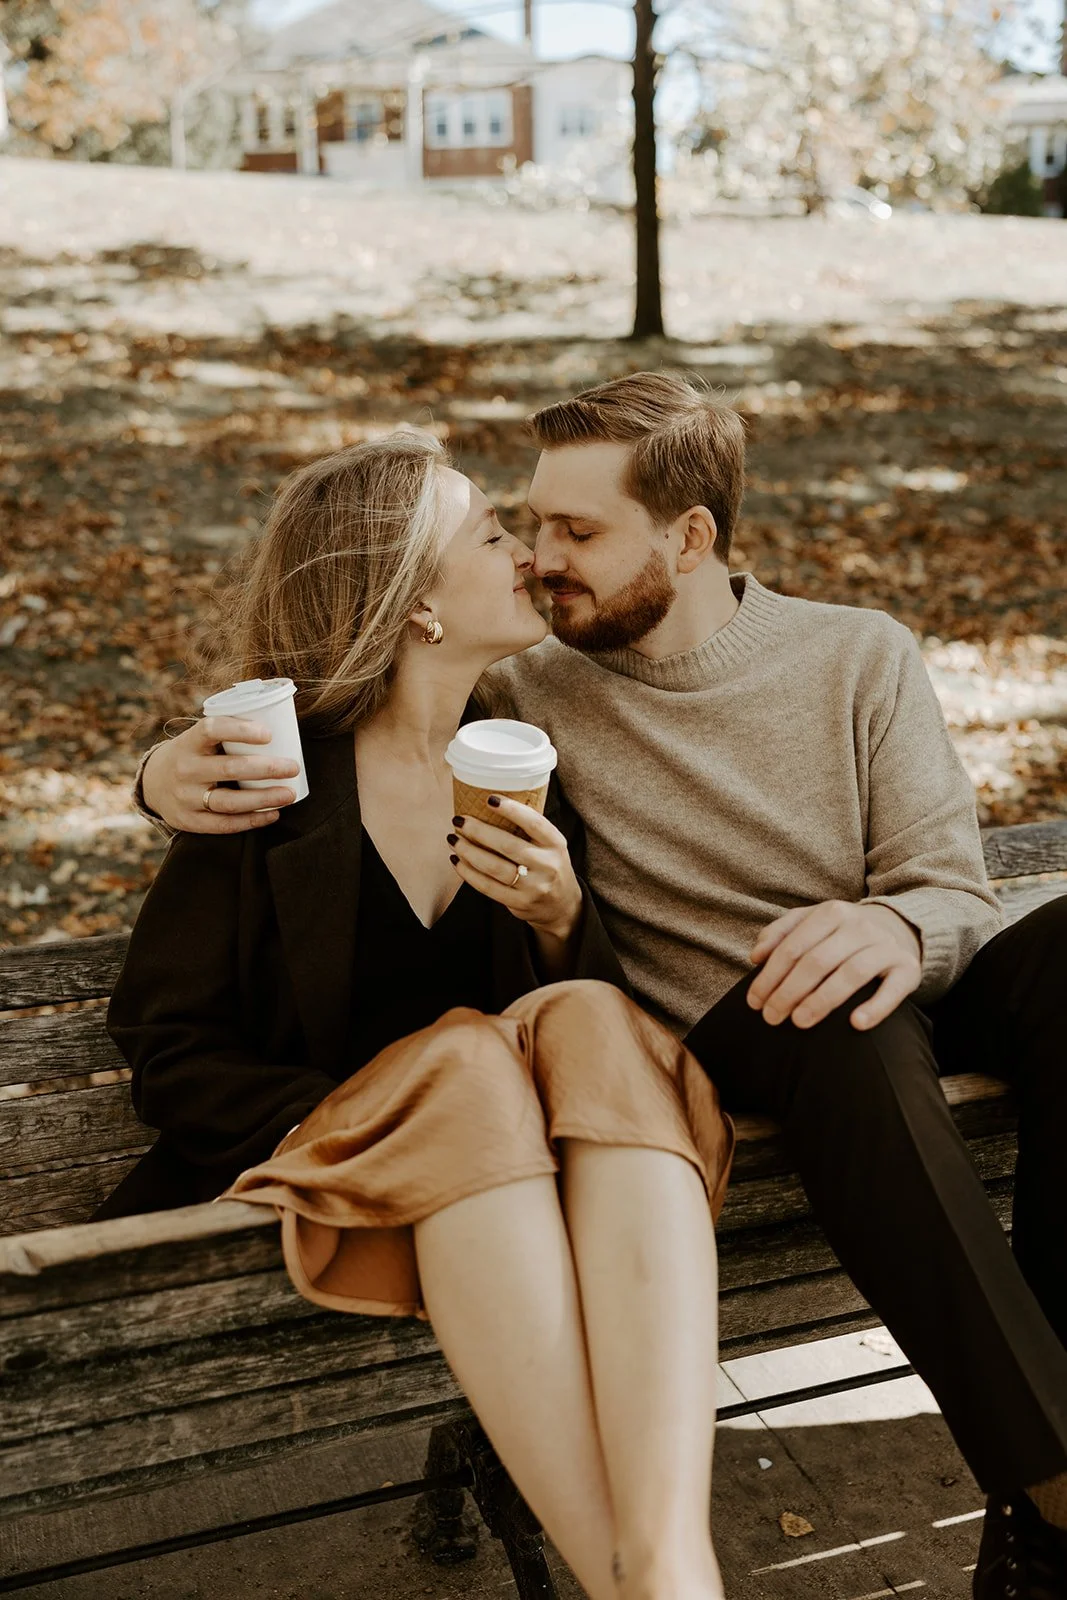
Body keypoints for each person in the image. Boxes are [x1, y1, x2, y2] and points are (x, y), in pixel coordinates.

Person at [139, 373, 1067, 1600]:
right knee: (833, 1023)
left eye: (575, 533)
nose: (537, 559)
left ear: (687, 538)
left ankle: (1035, 1508)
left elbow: (949, 886)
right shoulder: (524, 701)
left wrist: (896, 921)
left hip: (857, 983)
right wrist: (156, 775)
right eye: (519, 527)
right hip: (718, 1044)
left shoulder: (854, 654)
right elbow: (333, 700)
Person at [99, 430, 736, 1600]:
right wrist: (366, 1117)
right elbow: (165, 1047)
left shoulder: (519, 758)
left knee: (588, 1012)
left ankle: (658, 1563)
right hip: (332, 1177)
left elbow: (572, 1040)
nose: (529, 554)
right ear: (416, 607)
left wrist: (557, 918)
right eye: (492, 536)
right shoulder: (268, 784)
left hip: (510, 1205)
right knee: (456, 1061)